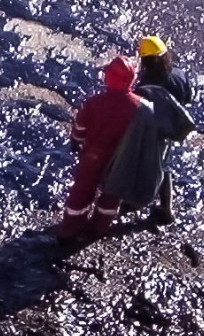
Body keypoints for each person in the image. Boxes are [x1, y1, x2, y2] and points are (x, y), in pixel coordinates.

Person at [56, 55, 142, 243]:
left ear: (108, 78)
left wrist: (75, 141)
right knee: (112, 194)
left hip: (92, 157)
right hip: (120, 161)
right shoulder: (140, 106)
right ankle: (100, 227)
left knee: (82, 191)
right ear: (132, 79)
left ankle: (70, 228)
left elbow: (80, 129)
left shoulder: (93, 103)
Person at [134, 34, 196, 224]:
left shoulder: (146, 83)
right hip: (173, 127)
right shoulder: (179, 75)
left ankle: (157, 206)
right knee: (165, 164)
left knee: (155, 164)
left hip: (153, 130)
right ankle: (165, 207)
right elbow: (188, 97)